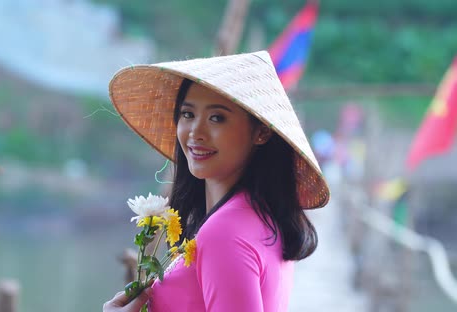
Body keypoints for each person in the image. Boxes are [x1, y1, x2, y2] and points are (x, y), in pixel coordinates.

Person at [104, 50, 330, 311]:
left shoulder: (225, 232)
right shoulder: (263, 217)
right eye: (188, 114)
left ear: (261, 132)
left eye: (217, 118)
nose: (195, 132)